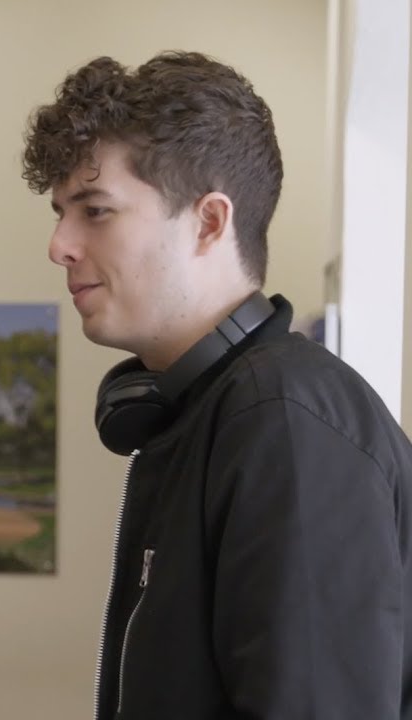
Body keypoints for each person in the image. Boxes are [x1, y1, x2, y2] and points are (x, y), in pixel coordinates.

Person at [22, 51, 412, 719]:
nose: (59, 244)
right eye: (61, 212)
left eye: (95, 210)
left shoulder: (283, 425)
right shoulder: (204, 413)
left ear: (208, 222)